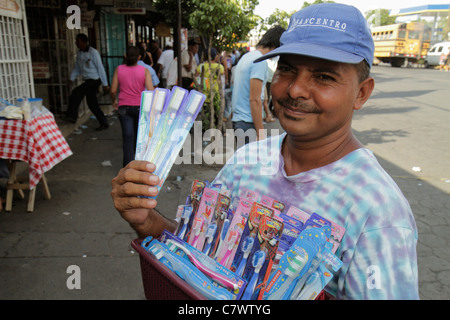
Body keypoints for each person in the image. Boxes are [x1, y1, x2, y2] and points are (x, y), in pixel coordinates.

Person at [111, 3, 419, 300]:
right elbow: (201, 254)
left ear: (362, 93)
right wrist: (148, 222)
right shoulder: (247, 160)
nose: (295, 89)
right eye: (286, 70)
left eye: (323, 77)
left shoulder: (378, 211)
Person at [231, 25, 285, 142]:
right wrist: (261, 133)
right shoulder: (260, 62)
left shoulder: (247, 56)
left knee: (243, 159)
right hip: (247, 123)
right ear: (276, 45)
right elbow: (254, 99)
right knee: (252, 159)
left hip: (238, 120)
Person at [110, 46, 154, 167]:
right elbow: (151, 90)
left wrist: (114, 101)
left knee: (128, 137)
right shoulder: (144, 71)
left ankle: (128, 168)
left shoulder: (119, 69)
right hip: (141, 107)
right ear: (139, 57)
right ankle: (140, 166)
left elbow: (113, 90)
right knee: (140, 138)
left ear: (125, 56)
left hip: (124, 107)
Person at [65, 33, 110, 131]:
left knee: (77, 92)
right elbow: (77, 68)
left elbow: (100, 68)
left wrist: (105, 84)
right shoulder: (80, 53)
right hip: (88, 80)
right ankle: (103, 122)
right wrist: (71, 79)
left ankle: (72, 116)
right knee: (92, 103)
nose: (76, 43)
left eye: (78, 41)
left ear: (84, 42)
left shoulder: (93, 52)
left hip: (94, 80)